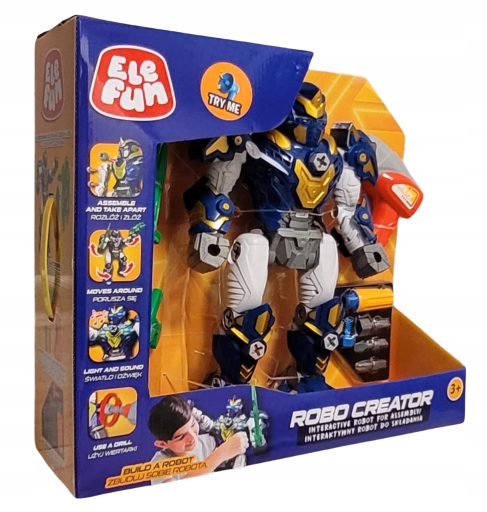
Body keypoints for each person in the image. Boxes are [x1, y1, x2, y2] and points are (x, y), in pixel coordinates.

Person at [148, 395, 249, 484]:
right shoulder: (160, 464)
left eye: (192, 424)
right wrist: (220, 455)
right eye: (181, 436)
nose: (192, 437)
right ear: (162, 444)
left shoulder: (207, 442)